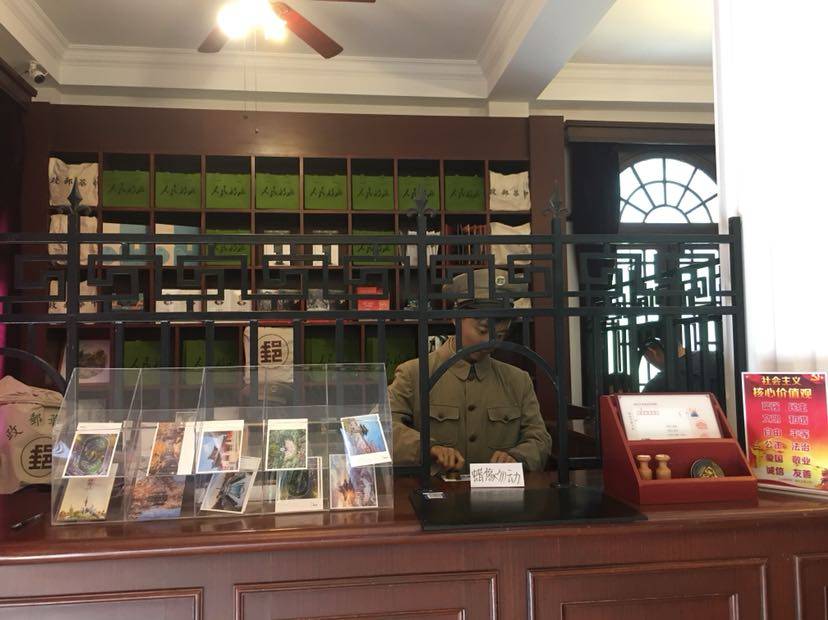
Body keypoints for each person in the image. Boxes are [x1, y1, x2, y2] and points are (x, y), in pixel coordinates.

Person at [390, 269, 552, 473]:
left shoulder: (518, 381)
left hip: (498, 492)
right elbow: (382, 429)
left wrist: (517, 457)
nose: (489, 342)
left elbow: (539, 438)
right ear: (455, 318)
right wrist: (427, 448)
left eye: (499, 335)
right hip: (435, 492)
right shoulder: (413, 374)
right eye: (482, 330)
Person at [639, 336, 720, 395]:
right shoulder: (716, 357)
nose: (649, 362)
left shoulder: (658, 384)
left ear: (652, 352)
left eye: (647, 358)